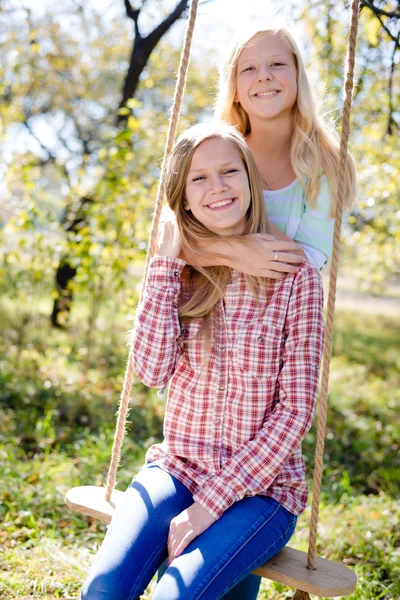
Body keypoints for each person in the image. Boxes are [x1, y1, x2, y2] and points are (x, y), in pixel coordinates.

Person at [80, 123, 325, 600]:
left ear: (249, 181)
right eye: (199, 178)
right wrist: (166, 265)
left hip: (263, 492)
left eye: (229, 171)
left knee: (179, 595)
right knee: (104, 588)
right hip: (179, 467)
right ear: (183, 198)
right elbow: (151, 372)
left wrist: (210, 504)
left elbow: (295, 412)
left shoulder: (297, 278)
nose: (217, 187)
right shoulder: (183, 273)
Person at [184, 22, 357, 278]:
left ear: (298, 77)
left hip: (283, 313)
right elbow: (170, 236)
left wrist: (213, 247)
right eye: (249, 68)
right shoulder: (208, 155)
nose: (264, 76)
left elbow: (308, 262)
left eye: (277, 64)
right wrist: (239, 250)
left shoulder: (327, 166)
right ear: (235, 92)